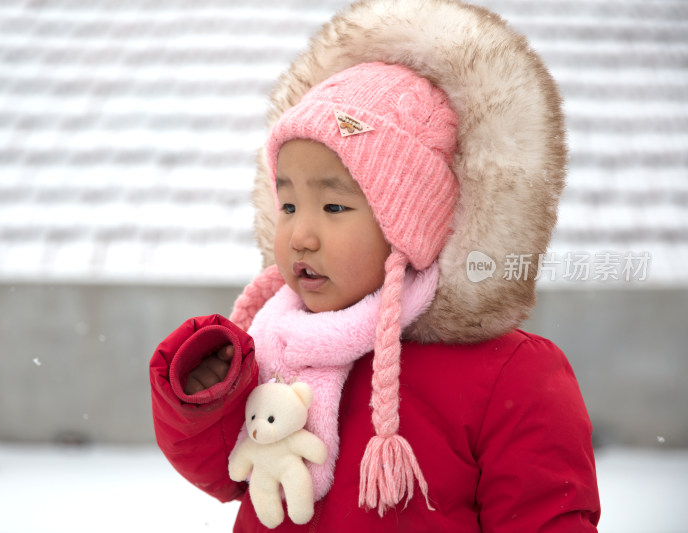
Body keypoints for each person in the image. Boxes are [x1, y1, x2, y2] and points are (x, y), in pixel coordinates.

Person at [149, 0, 601, 531]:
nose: (300, 234)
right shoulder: (275, 340)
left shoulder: (506, 375)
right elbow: (223, 472)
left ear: (408, 226)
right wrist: (209, 397)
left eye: (334, 207)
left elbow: (546, 515)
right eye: (288, 204)